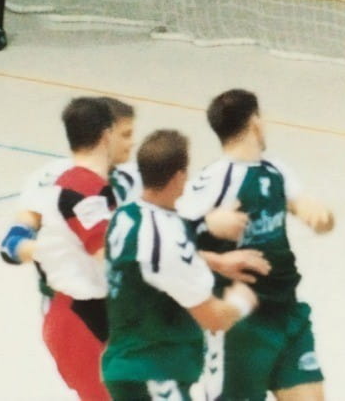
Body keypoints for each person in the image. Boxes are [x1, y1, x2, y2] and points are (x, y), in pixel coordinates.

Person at [175, 88, 335, 401]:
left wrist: (319, 215)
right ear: (255, 122)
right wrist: (206, 223)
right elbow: (164, 240)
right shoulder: (215, 180)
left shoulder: (276, 170)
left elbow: (307, 207)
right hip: (242, 326)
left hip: (287, 315)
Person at [102, 129, 263, 401]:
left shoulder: (127, 216)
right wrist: (242, 302)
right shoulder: (164, 239)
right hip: (154, 371)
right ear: (179, 176)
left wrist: (217, 262)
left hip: (134, 365)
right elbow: (214, 318)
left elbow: (151, 264)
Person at [4, 97, 135, 401]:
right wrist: (45, 250)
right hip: (76, 309)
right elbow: (9, 245)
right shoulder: (59, 183)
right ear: (106, 135)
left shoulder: (132, 178)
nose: (132, 144)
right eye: (126, 135)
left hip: (115, 312)